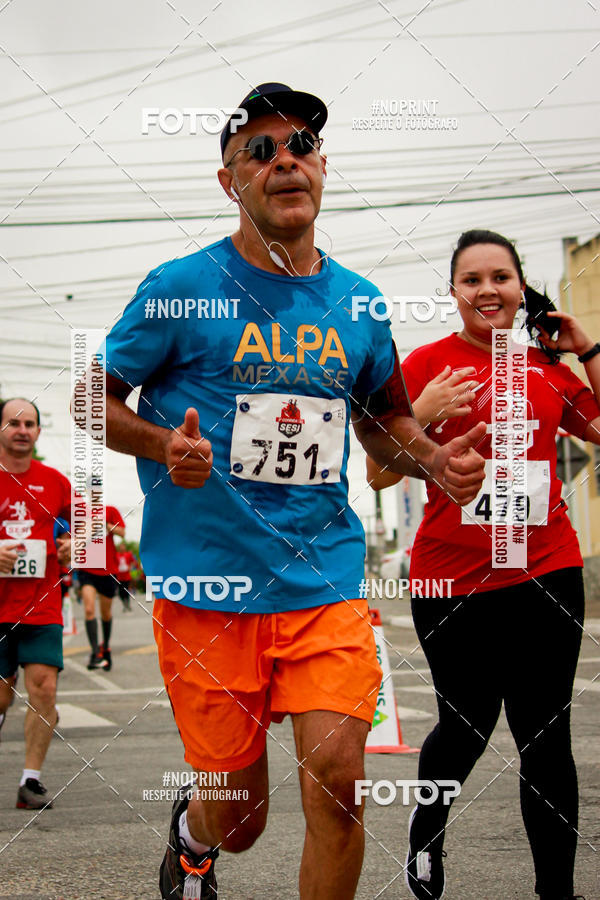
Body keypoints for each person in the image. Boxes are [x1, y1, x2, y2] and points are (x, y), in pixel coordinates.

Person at [93, 83, 486, 900]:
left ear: (323, 167)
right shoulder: (177, 288)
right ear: (229, 180)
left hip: (324, 581)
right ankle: (196, 838)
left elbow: (384, 424)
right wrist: (164, 444)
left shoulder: (361, 304)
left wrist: (434, 461)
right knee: (242, 821)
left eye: (301, 144)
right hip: (208, 589)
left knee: (339, 785)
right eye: (261, 151)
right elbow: (88, 396)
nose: (286, 162)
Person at [367, 229, 599, 900]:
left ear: (521, 288)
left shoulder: (546, 367)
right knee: (464, 723)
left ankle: (556, 891)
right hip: (451, 578)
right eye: (473, 279)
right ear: (454, 292)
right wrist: (426, 413)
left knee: (546, 738)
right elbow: (380, 473)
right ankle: (427, 826)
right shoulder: (423, 367)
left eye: (501, 277)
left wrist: (584, 347)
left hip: (545, 568)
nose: (488, 290)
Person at [0, 398, 71, 810]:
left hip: (42, 607)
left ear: (39, 433)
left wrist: (73, 545)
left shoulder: (55, 482)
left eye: (29, 423)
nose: (22, 429)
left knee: (44, 688)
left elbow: (90, 522)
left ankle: (31, 782)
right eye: (13, 423)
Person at [78, 501, 125, 670]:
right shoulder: (81, 512)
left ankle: (106, 648)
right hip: (87, 569)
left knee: (106, 613)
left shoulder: (110, 510)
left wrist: (106, 524)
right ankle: (95, 652)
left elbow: (122, 533)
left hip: (107, 570)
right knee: (89, 609)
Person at [115, 542, 137, 611]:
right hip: (119, 576)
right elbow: (113, 563)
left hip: (127, 576)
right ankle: (124, 603)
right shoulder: (116, 555)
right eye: (121, 547)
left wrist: (130, 567)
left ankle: (127, 604)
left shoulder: (128, 554)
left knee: (126, 590)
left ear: (125, 548)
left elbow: (134, 562)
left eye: (123, 546)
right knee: (120, 592)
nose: (122, 548)